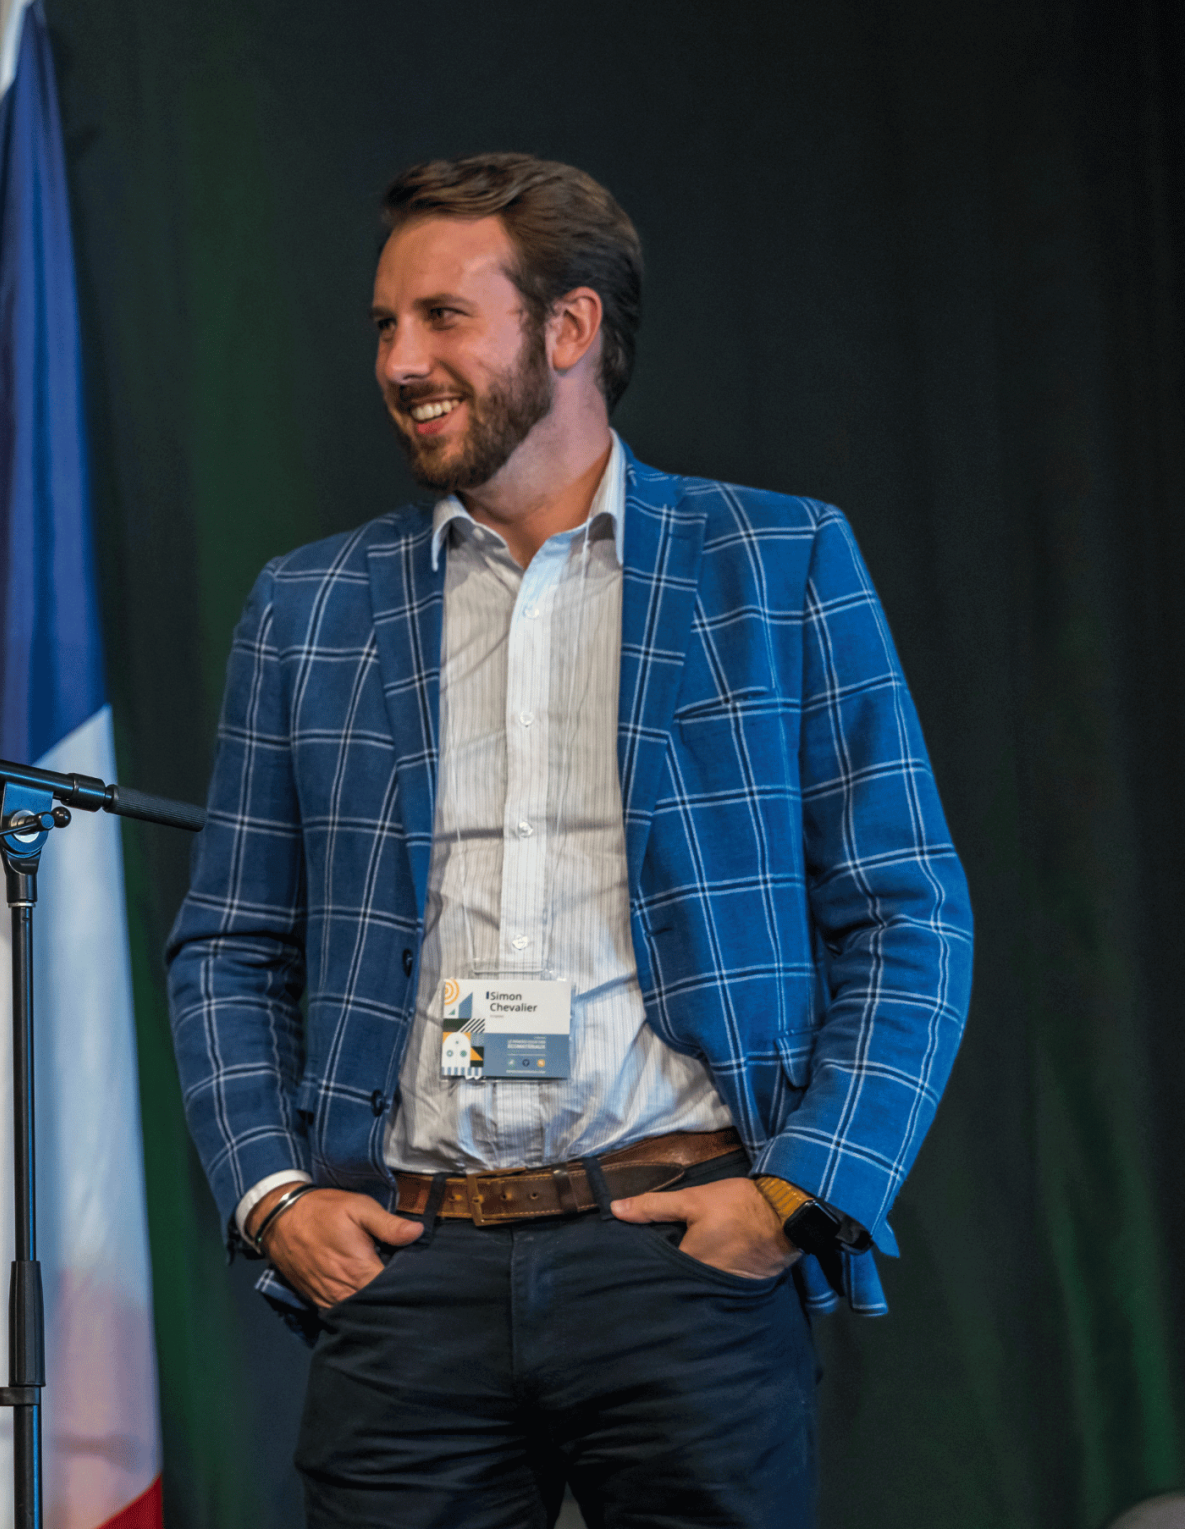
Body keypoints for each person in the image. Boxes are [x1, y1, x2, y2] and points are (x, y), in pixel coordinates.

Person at [165, 155, 971, 1527]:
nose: (400, 359)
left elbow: (909, 910)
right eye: (383, 325)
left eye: (441, 317)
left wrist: (801, 1186)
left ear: (571, 327)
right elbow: (229, 942)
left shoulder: (776, 563)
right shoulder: (307, 608)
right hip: (407, 1265)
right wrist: (273, 1193)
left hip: (682, 1251)